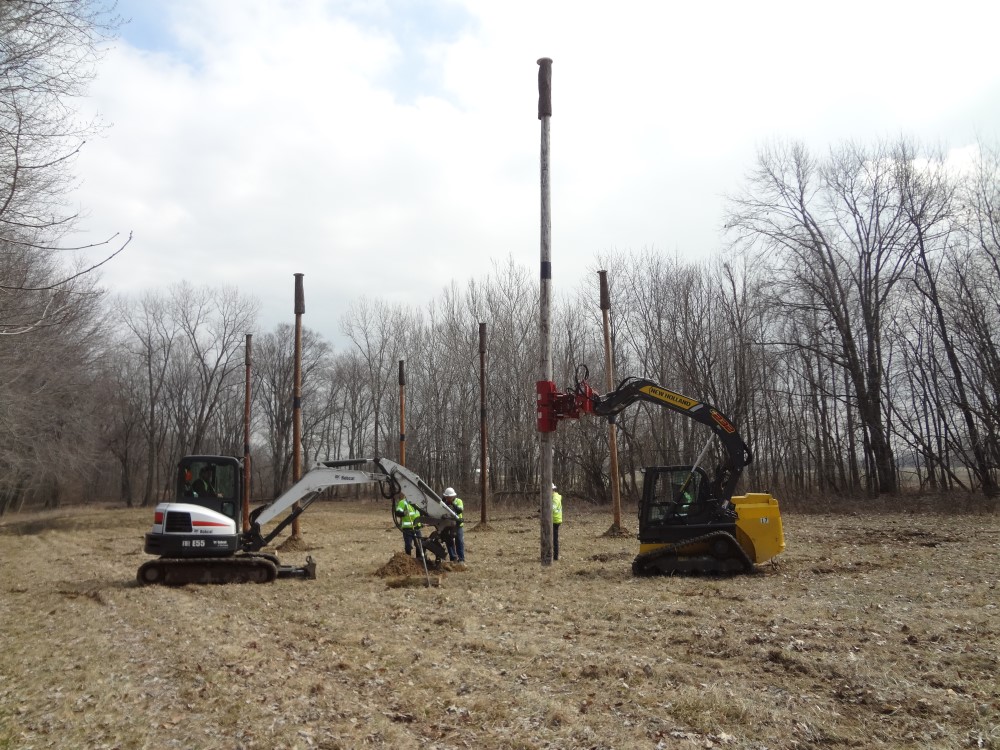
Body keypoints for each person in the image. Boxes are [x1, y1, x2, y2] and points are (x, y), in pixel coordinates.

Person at [442, 487, 465, 563]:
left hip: (458, 525)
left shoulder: (458, 501)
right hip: (448, 525)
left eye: (450, 497)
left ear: (453, 496)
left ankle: (461, 559)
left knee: (459, 542)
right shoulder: (444, 503)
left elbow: (460, 510)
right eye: (447, 497)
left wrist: (453, 504)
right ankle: (453, 558)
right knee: (449, 542)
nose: (449, 499)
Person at [551, 483, 563, 561]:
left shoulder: (555, 498)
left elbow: (553, 508)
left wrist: (544, 509)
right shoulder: (554, 497)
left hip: (555, 520)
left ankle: (555, 556)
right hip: (555, 519)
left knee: (554, 539)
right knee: (552, 538)